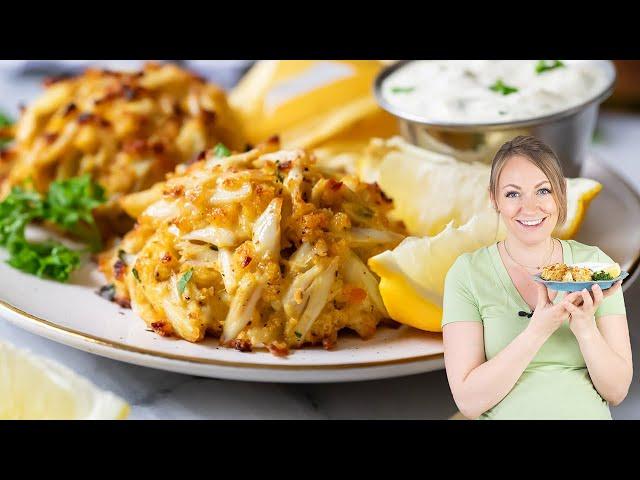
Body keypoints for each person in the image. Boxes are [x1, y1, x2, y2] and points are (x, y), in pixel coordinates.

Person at [441, 135, 632, 420]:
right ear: (494, 199)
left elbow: (617, 392)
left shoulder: (596, 267)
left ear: (561, 193)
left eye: (543, 191)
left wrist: (584, 327)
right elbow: (468, 401)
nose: (529, 207)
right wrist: (538, 330)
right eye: (512, 193)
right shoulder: (466, 273)